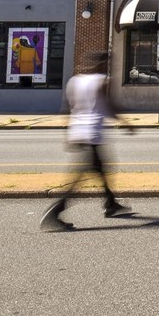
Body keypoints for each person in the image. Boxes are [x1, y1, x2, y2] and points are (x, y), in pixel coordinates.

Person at [40, 51, 135, 232]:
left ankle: (111, 204)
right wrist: (125, 123)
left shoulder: (75, 81)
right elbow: (108, 106)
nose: (110, 66)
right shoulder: (101, 80)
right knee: (80, 177)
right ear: (101, 64)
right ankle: (55, 212)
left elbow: (68, 108)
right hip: (92, 133)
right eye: (108, 63)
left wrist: (68, 132)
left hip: (78, 132)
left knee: (101, 169)